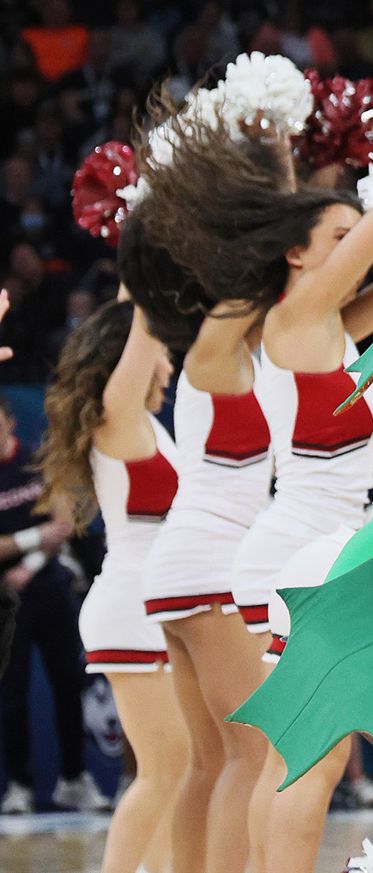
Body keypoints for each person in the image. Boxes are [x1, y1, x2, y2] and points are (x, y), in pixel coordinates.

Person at [136, 109, 373, 873]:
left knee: (303, 757)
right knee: (310, 757)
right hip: (302, 554)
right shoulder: (298, 317)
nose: (355, 251)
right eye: (339, 241)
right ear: (297, 255)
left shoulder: (329, 328)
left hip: (317, 549)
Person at [121, 204, 274, 873]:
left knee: (210, 760)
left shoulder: (258, 356)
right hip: (210, 561)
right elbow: (252, 278)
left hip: (183, 565)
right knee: (251, 752)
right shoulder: (215, 354)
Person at [36, 299, 186, 873]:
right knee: (167, 769)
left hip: (159, 602)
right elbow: (141, 322)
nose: (169, 365)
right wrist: (146, 252)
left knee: (186, 767)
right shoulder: (116, 416)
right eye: (162, 352)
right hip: (133, 602)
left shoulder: (147, 425)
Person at [0, 392, 108, 815]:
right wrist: (32, 540)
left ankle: (74, 779)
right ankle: (19, 787)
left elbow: (63, 524)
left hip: (49, 586)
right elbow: (43, 532)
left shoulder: (40, 463)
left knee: (68, 683)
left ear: (9, 422)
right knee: (11, 692)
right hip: (5, 600)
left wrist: (27, 559)